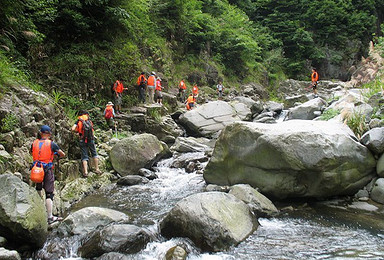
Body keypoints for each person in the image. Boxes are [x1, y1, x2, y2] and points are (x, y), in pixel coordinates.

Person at [31, 125, 65, 224]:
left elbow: (32, 152)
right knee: (49, 193)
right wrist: (54, 153)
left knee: (38, 189)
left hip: (36, 169)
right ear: (49, 134)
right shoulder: (52, 144)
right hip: (47, 170)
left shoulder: (34, 143)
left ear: (40, 133)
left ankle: (38, 211)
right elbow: (62, 154)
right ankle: (50, 217)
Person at [71, 110, 101, 177]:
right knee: (94, 153)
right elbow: (92, 130)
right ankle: (97, 169)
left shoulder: (79, 121)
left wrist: (77, 131)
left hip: (82, 140)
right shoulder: (89, 120)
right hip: (90, 139)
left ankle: (86, 172)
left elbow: (73, 129)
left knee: (84, 156)